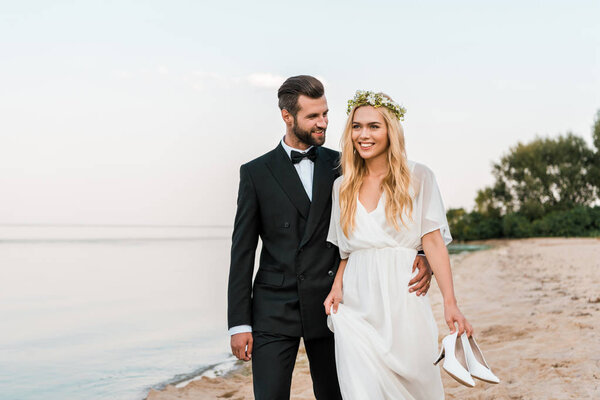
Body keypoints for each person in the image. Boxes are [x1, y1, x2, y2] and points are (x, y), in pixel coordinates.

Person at [227, 77, 434, 400]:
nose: (323, 122)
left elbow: (395, 201)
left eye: (325, 113)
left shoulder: (345, 164)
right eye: (313, 117)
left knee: (337, 395)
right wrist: (239, 323)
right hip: (273, 307)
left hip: (334, 304)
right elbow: (242, 251)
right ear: (287, 117)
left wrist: (421, 252)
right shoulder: (255, 173)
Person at [324, 90, 473, 399]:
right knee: (360, 390)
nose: (363, 135)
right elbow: (345, 251)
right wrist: (336, 286)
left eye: (373, 126)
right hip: (355, 302)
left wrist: (450, 302)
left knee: (415, 385)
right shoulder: (342, 186)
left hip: (404, 299)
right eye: (356, 126)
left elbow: (432, 241)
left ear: (390, 131)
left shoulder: (418, 177)